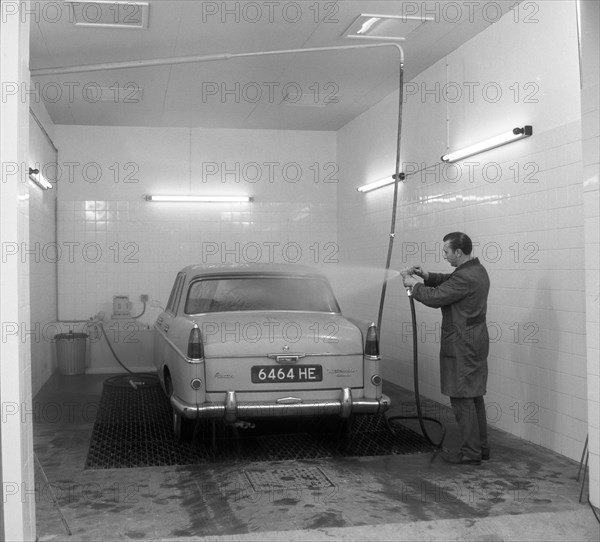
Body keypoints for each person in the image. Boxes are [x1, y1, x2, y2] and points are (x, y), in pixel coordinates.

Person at [401, 232, 490, 465]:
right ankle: (481, 447)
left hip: (462, 343)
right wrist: (426, 276)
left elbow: (437, 296)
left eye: (446, 251)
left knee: (462, 398)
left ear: (458, 252)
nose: (444, 254)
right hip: (475, 340)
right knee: (474, 395)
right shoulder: (475, 271)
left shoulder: (465, 277)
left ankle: (471, 453)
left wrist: (414, 286)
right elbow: (449, 281)